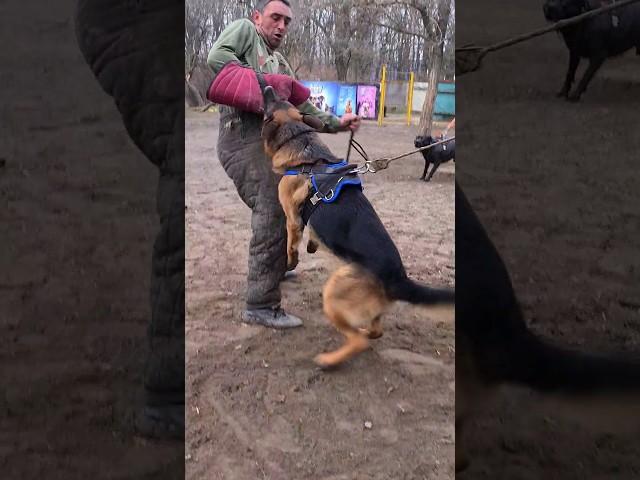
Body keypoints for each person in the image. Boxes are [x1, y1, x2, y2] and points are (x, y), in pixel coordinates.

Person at [207, 0, 361, 329]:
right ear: (258, 16)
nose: (282, 26)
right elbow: (217, 57)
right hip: (241, 140)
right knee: (274, 205)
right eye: (275, 17)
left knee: (294, 198)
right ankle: (260, 303)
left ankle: (276, 266)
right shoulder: (246, 31)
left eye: (287, 21)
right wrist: (266, 87)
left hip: (269, 143)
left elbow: (303, 106)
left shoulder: (280, 62)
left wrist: (337, 123)